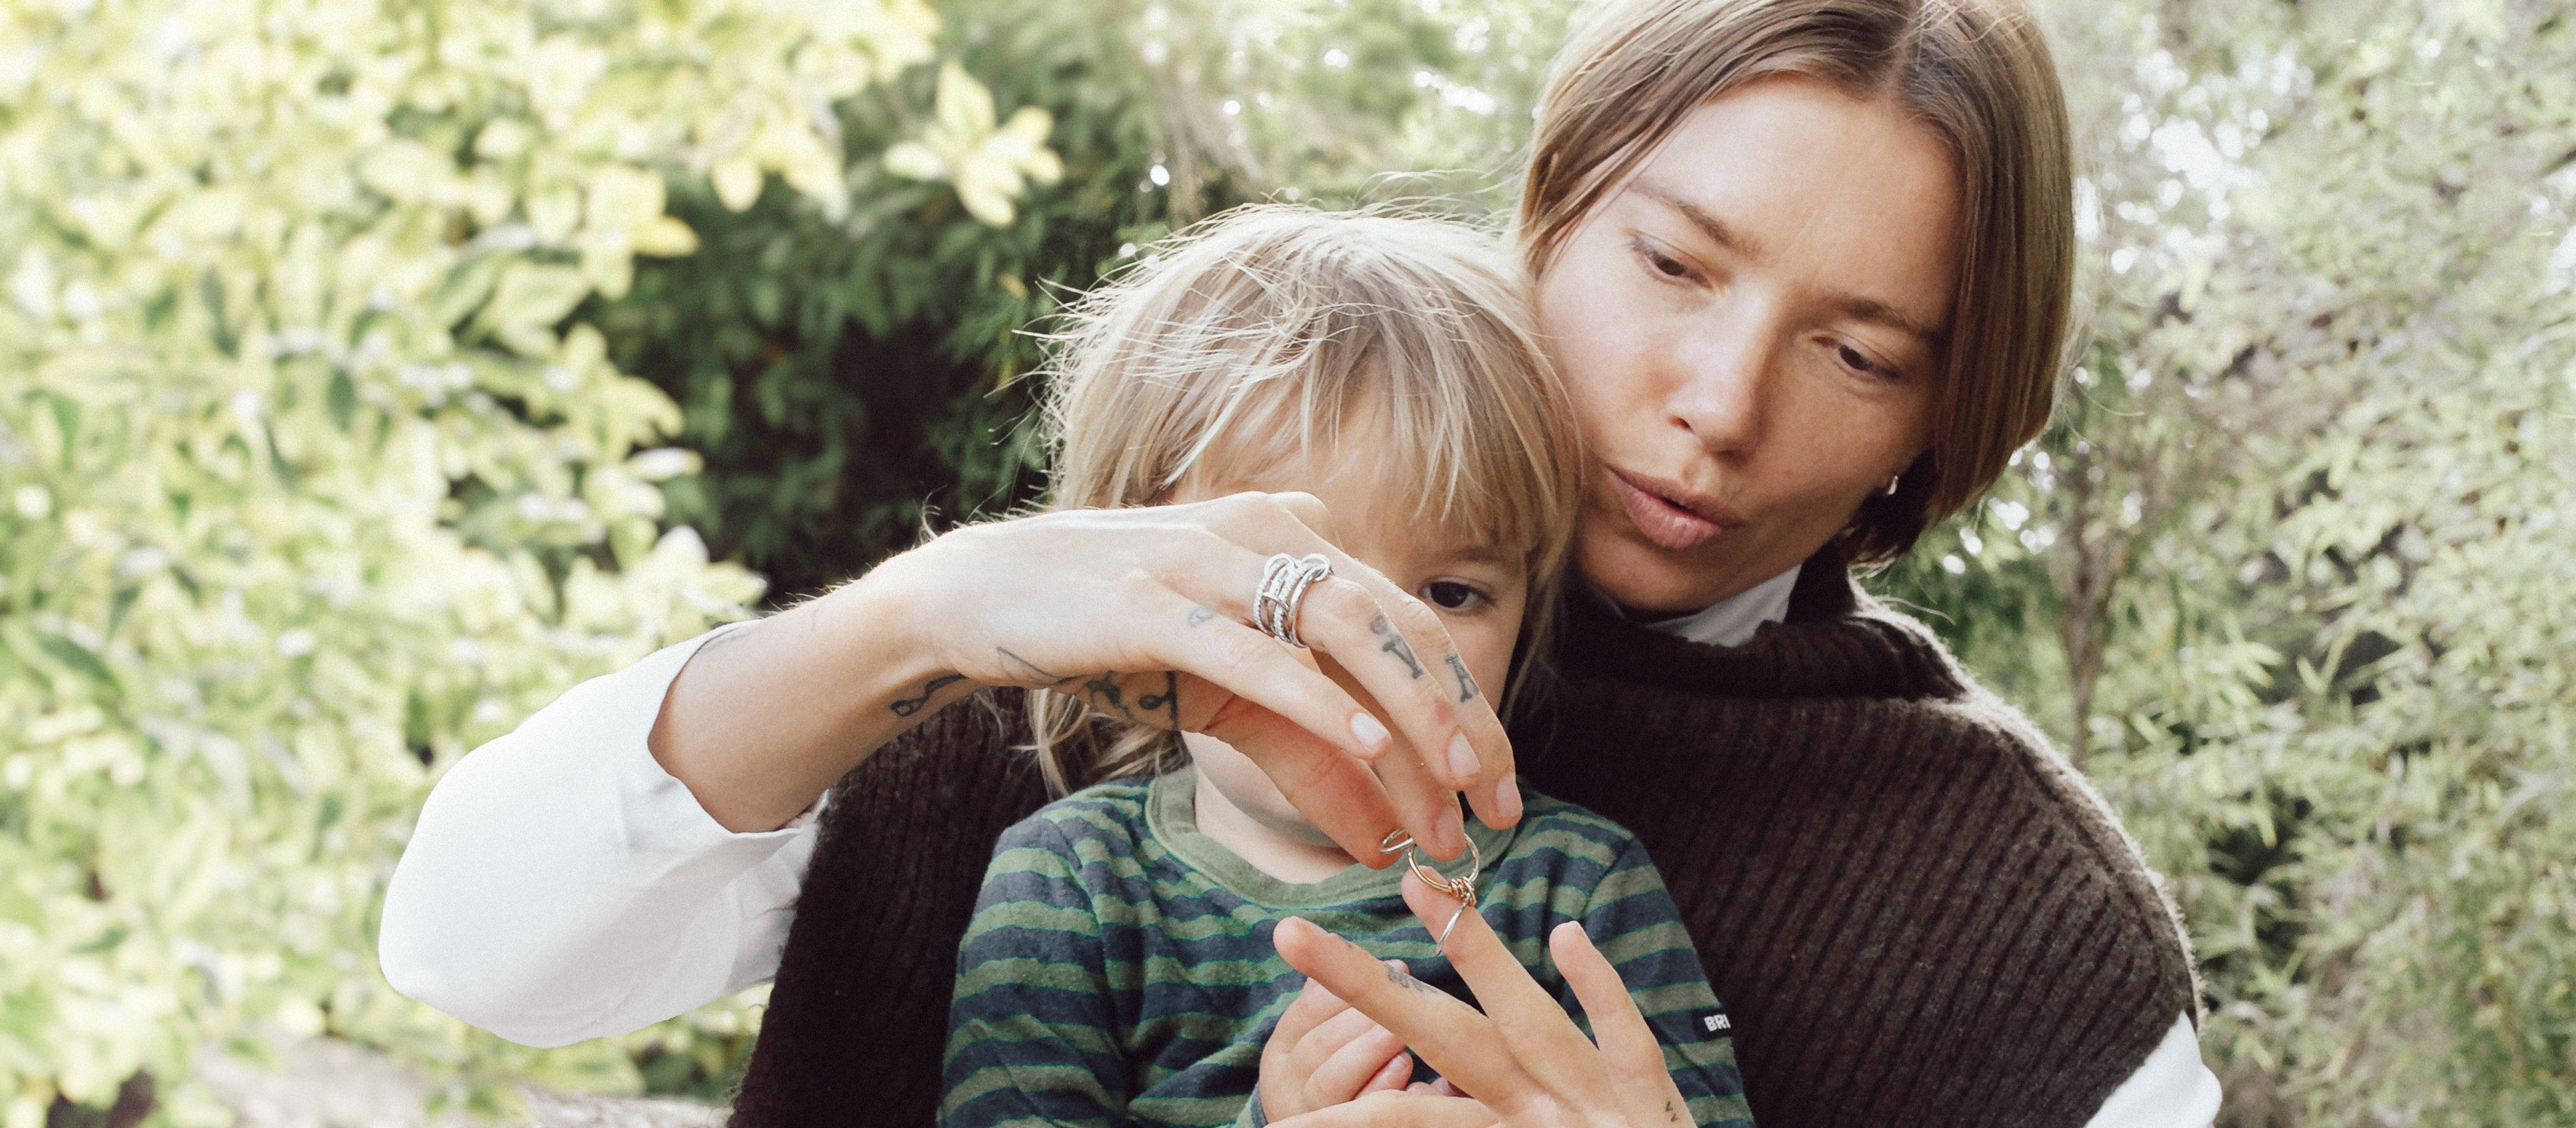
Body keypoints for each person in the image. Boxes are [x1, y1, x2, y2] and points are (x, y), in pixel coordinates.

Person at [379, 0, 2221, 1123]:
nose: (1715, 402)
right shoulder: (1091, 636)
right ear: (1550, 204)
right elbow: (476, 952)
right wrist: (917, 617)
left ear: (1943, 414)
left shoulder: (2022, 925)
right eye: (1671, 262)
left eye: (1859, 349)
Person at [929, 206, 1748, 1126]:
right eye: (1295, 583)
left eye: (1450, 592)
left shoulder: (1580, 885)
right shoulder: (1073, 882)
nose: (1368, 645)